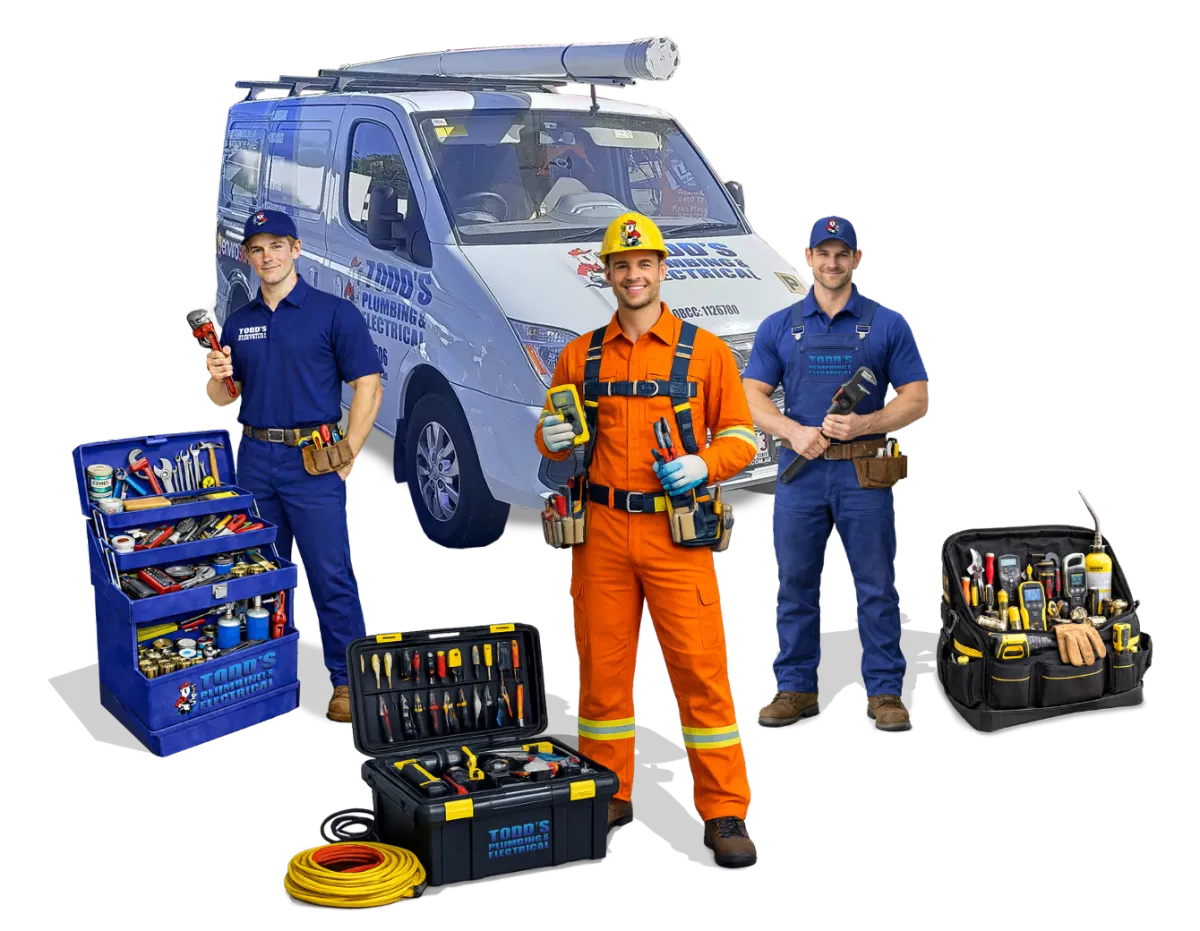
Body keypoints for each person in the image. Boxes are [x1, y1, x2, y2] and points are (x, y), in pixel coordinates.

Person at [535, 212, 759, 870]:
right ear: (606, 274)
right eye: (621, 266)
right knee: (602, 674)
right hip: (600, 534)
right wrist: (551, 438)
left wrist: (703, 464)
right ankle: (609, 793)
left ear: (662, 270)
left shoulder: (706, 352)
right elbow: (553, 446)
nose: (633, 275)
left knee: (702, 674)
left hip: (676, 535)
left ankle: (724, 810)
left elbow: (742, 437)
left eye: (644, 264)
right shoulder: (579, 356)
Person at [742, 216, 929, 733]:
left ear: (856, 259)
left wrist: (865, 422)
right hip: (799, 474)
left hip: (863, 475)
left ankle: (885, 692)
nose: (832, 262)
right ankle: (795, 688)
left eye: (841, 253)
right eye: (823, 253)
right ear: (807, 257)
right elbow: (750, 394)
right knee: (794, 583)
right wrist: (791, 430)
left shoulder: (885, 325)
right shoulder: (780, 326)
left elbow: (916, 398)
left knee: (875, 584)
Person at [204, 209, 383, 723]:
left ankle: (348, 683)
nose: (268, 257)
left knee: (330, 574)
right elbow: (225, 397)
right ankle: (264, 680)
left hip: (312, 461)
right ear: (247, 255)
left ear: (296, 249)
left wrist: (349, 451)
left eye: (277, 246)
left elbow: (368, 385)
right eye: (257, 249)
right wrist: (215, 374)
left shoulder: (333, 313)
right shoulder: (239, 322)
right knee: (258, 573)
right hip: (254, 459)